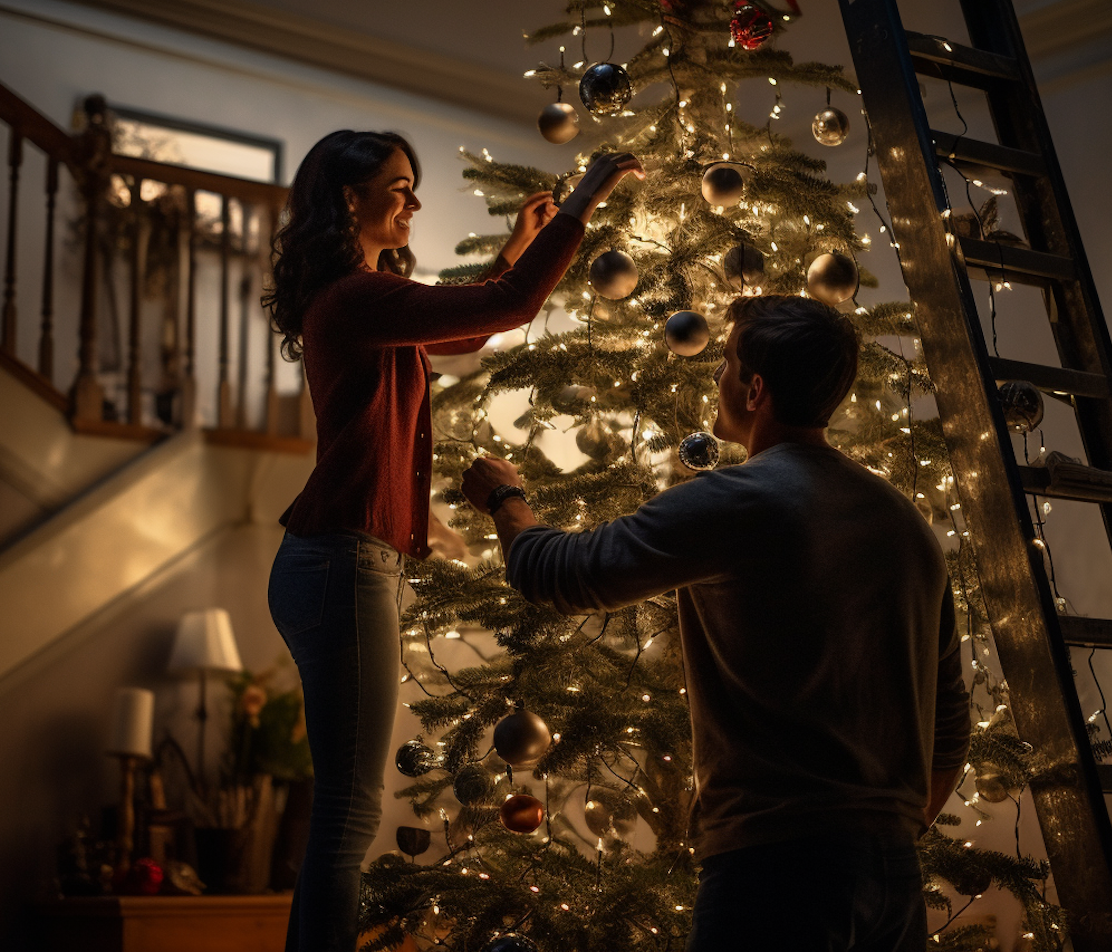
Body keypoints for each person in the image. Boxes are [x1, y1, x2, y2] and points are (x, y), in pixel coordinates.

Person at [462, 294, 970, 952]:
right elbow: (950, 722)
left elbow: (558, 572)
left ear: (756, 389)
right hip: (892, 879)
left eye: (727, 361)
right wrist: (883, 833)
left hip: (774, 875)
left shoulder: (740, 501)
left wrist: (506, 498)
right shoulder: (906, 524)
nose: (717, 376)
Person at [263, 129, 643, 952]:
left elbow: (466, 334)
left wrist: (521, 242)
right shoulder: (356, 298)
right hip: (338, 560)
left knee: (344, 806)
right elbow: (508, 307)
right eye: (399, 187)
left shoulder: (363, 299)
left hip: (335, 561)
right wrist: (581, 208)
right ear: (348, 200)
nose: (414, 202)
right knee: (348, 811)